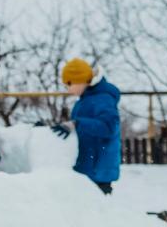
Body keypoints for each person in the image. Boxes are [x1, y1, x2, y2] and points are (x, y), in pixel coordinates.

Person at [51, 58, 121, 194]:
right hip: (88, 166)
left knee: (97, 211)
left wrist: (77, 123)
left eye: (69, 84)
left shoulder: (102, 98)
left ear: (79, 80)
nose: (68, 88)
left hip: (98, 169)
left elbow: (109, 127)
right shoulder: (85, 100)